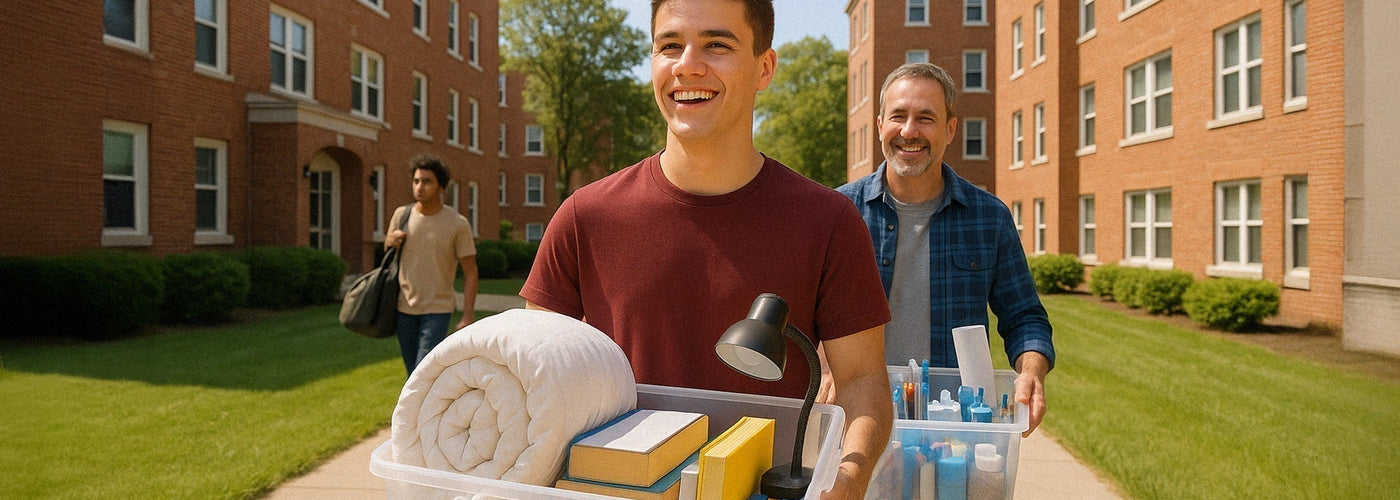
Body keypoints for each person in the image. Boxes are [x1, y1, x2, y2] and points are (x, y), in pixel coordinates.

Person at [521, 0, 892, 497]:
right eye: (669, 46)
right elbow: (526, 376)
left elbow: (863, 381)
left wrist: (849, 478)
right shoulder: (584, 217)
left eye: (717, 44)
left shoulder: (828, 222)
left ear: (765, 68)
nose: (687, 65)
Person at [835, 63, 1055, 437]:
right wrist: (825, 366)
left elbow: (1025, 318)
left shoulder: (989, 217)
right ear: (879, 126)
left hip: (955, 422)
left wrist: (1031, 373)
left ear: (951, 129)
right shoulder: (840, 213)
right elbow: (805, 320)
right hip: (856, 417)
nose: (909, 131)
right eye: (898, 116)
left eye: (926, 118)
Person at [385, 154, 479, 376]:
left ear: (441, 187)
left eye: (427, 182)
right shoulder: (402, 215)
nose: (419, 187)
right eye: (416, 181)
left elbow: (471, 272)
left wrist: (467, 316)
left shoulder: (457, 224)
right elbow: (388, 251)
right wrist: (391, 241)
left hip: (437, 310)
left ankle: (417, 411)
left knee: (422, 372)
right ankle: (425, 411)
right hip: (403, 306)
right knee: (413, 374)